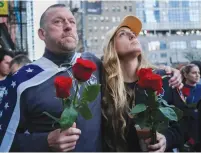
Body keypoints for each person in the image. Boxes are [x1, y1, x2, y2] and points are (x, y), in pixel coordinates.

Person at [0, 4, 182, 152]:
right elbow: (4, 139)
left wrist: (169, 72)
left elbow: (127, 69)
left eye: (71, 21)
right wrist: (44, 141)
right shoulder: (21, 81)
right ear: (42, 34)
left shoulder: (93, 64)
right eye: (58, 21)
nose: (68, 26)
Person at [101, 15, 185, 152]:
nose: (132, 36)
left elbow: (184, 124)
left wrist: (166, 139)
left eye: (133, 34)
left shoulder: (164, 79)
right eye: (123, 34)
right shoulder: (105, 88)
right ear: (111, 47)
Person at [180, 64, 201, 150]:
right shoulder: (180, 89)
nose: (197, 75)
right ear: (185, 75)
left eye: (198, 73)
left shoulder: (200, 88)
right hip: (187, 133)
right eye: (194, 73)